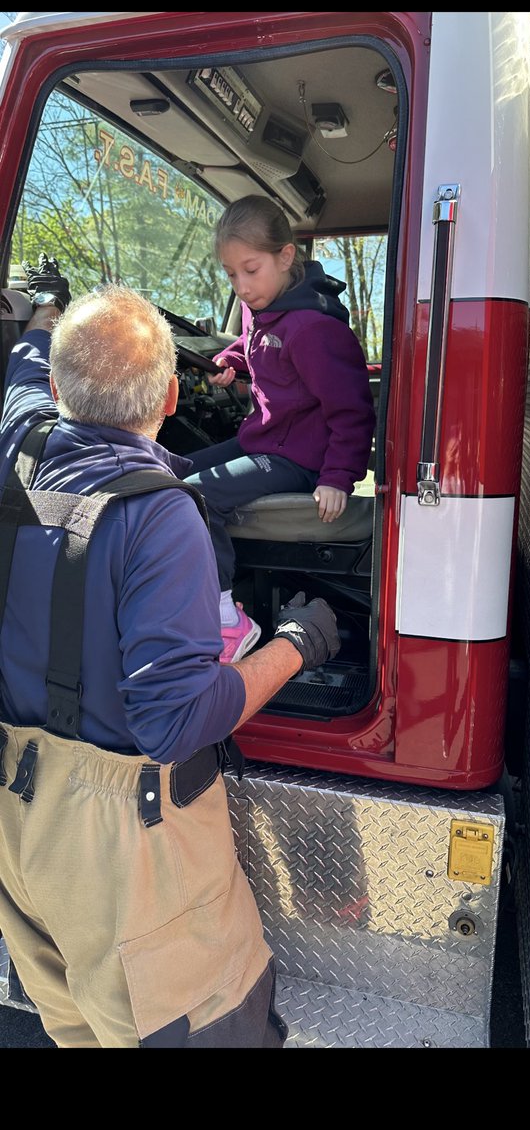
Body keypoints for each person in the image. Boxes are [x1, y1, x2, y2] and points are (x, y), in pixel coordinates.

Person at [0, 254, 340, 1049]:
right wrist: (297, 645)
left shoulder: (16, 445)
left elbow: (18, 370)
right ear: (171, 397)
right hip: (122, 849)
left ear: (57, 391)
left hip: (20, 825)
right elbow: (175, 721)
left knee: (74, 1027)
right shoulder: (162, 516)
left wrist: (44, 315)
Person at [185, 196, 376, 664]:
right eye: (231, 275)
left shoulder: (313, 329)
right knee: (168, 474)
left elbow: (352, 409)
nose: (242, 286)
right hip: (266, 439)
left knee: (194, 497)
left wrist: (337, 477)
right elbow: (254, 346)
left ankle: (226, 618)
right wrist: (231, 360)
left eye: (251, 269)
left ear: (286, 257)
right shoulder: (262, 308)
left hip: (302, 460)